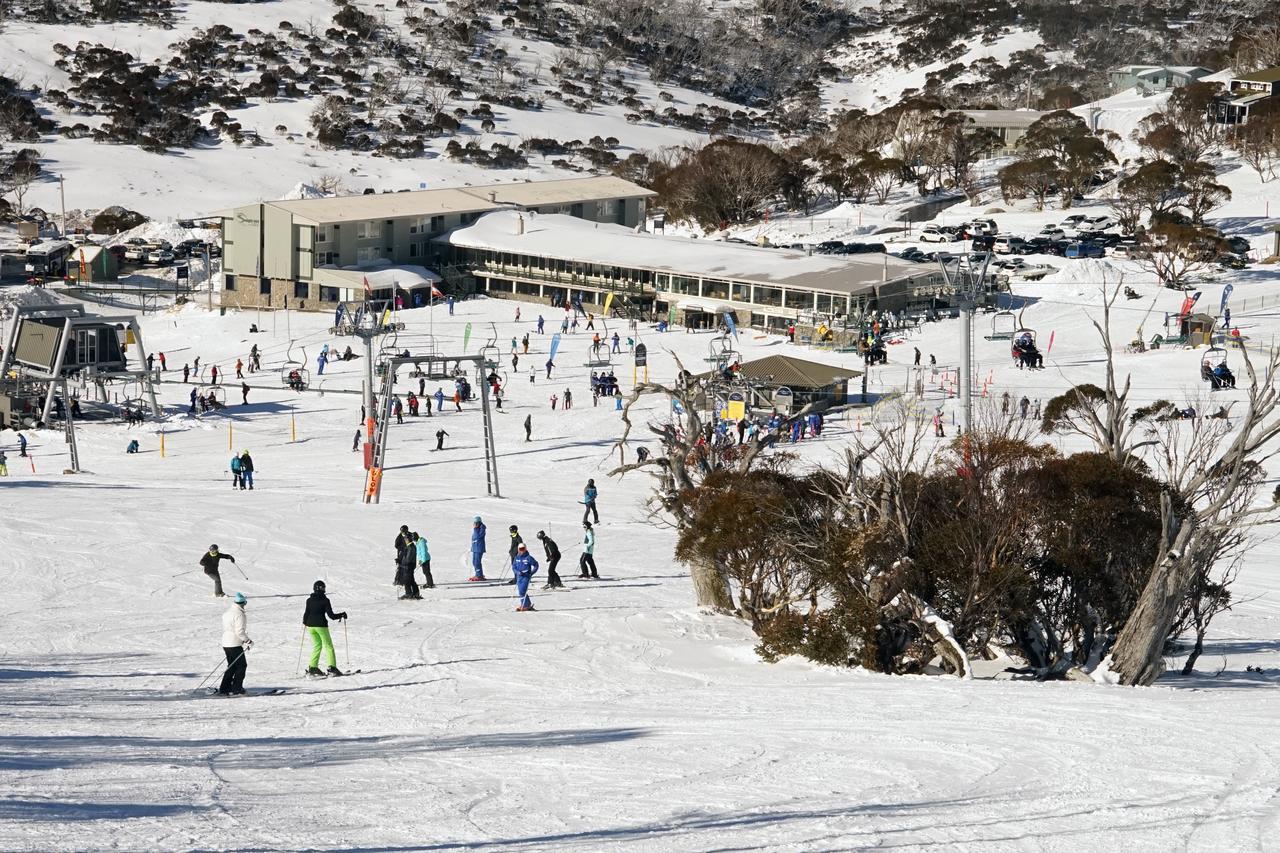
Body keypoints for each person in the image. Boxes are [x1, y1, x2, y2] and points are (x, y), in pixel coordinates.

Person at [303, 580, 347, 676]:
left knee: (317, 646)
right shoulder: (325, 600)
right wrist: (342, 615)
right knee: (328, 646)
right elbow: (331, 616)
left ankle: (313, 667)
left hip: (310, 627)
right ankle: (332, 668)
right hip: (321, 626)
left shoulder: (309, 600)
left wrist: (306, 622)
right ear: (321, 589)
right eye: (323, 588)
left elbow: (306, 614)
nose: (324, 590)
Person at [218, 592, 252, 695]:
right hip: (235, 643)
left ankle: (225, 687)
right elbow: (239, 632)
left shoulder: (227, 613)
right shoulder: (240, 614)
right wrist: (248, 641)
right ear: (243, 603)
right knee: (241, 666)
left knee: (232, 666)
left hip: (226, 642)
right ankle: (237, 688)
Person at [512, 543, 539, 612]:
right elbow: (514, 567)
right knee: (521, 591)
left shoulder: (528, 557)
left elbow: (536, 565)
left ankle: (524, 605)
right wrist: (517, 572)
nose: (522, 551)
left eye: (523, 549)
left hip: (526, 576)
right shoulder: (517, 557)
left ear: (525, 549)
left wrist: (531, 573)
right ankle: (527, 604)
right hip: (519, 577)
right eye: (520, 549)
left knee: (522, 591)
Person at [396, 531, 421, 600]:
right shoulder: (410, 546)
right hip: (409, 566)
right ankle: (416, 593)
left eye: (405, 539)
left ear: (408, 540)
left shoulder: (410, 547)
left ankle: (408, 593)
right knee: (411, 580)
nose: (405, 540)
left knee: (406, 580)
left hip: (408, 566)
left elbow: (408, 559)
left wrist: (400, 563)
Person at [469, 516, 487, 581]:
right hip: (475, 548)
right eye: (474, 523)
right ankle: (478, 574)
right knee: (474, 562)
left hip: (479, 548)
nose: (475, 524)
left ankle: (479, 576)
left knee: (477, 562)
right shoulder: (477, 528)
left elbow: (477, 536)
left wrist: (476, 528)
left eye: (476, 523)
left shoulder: (482, 528)